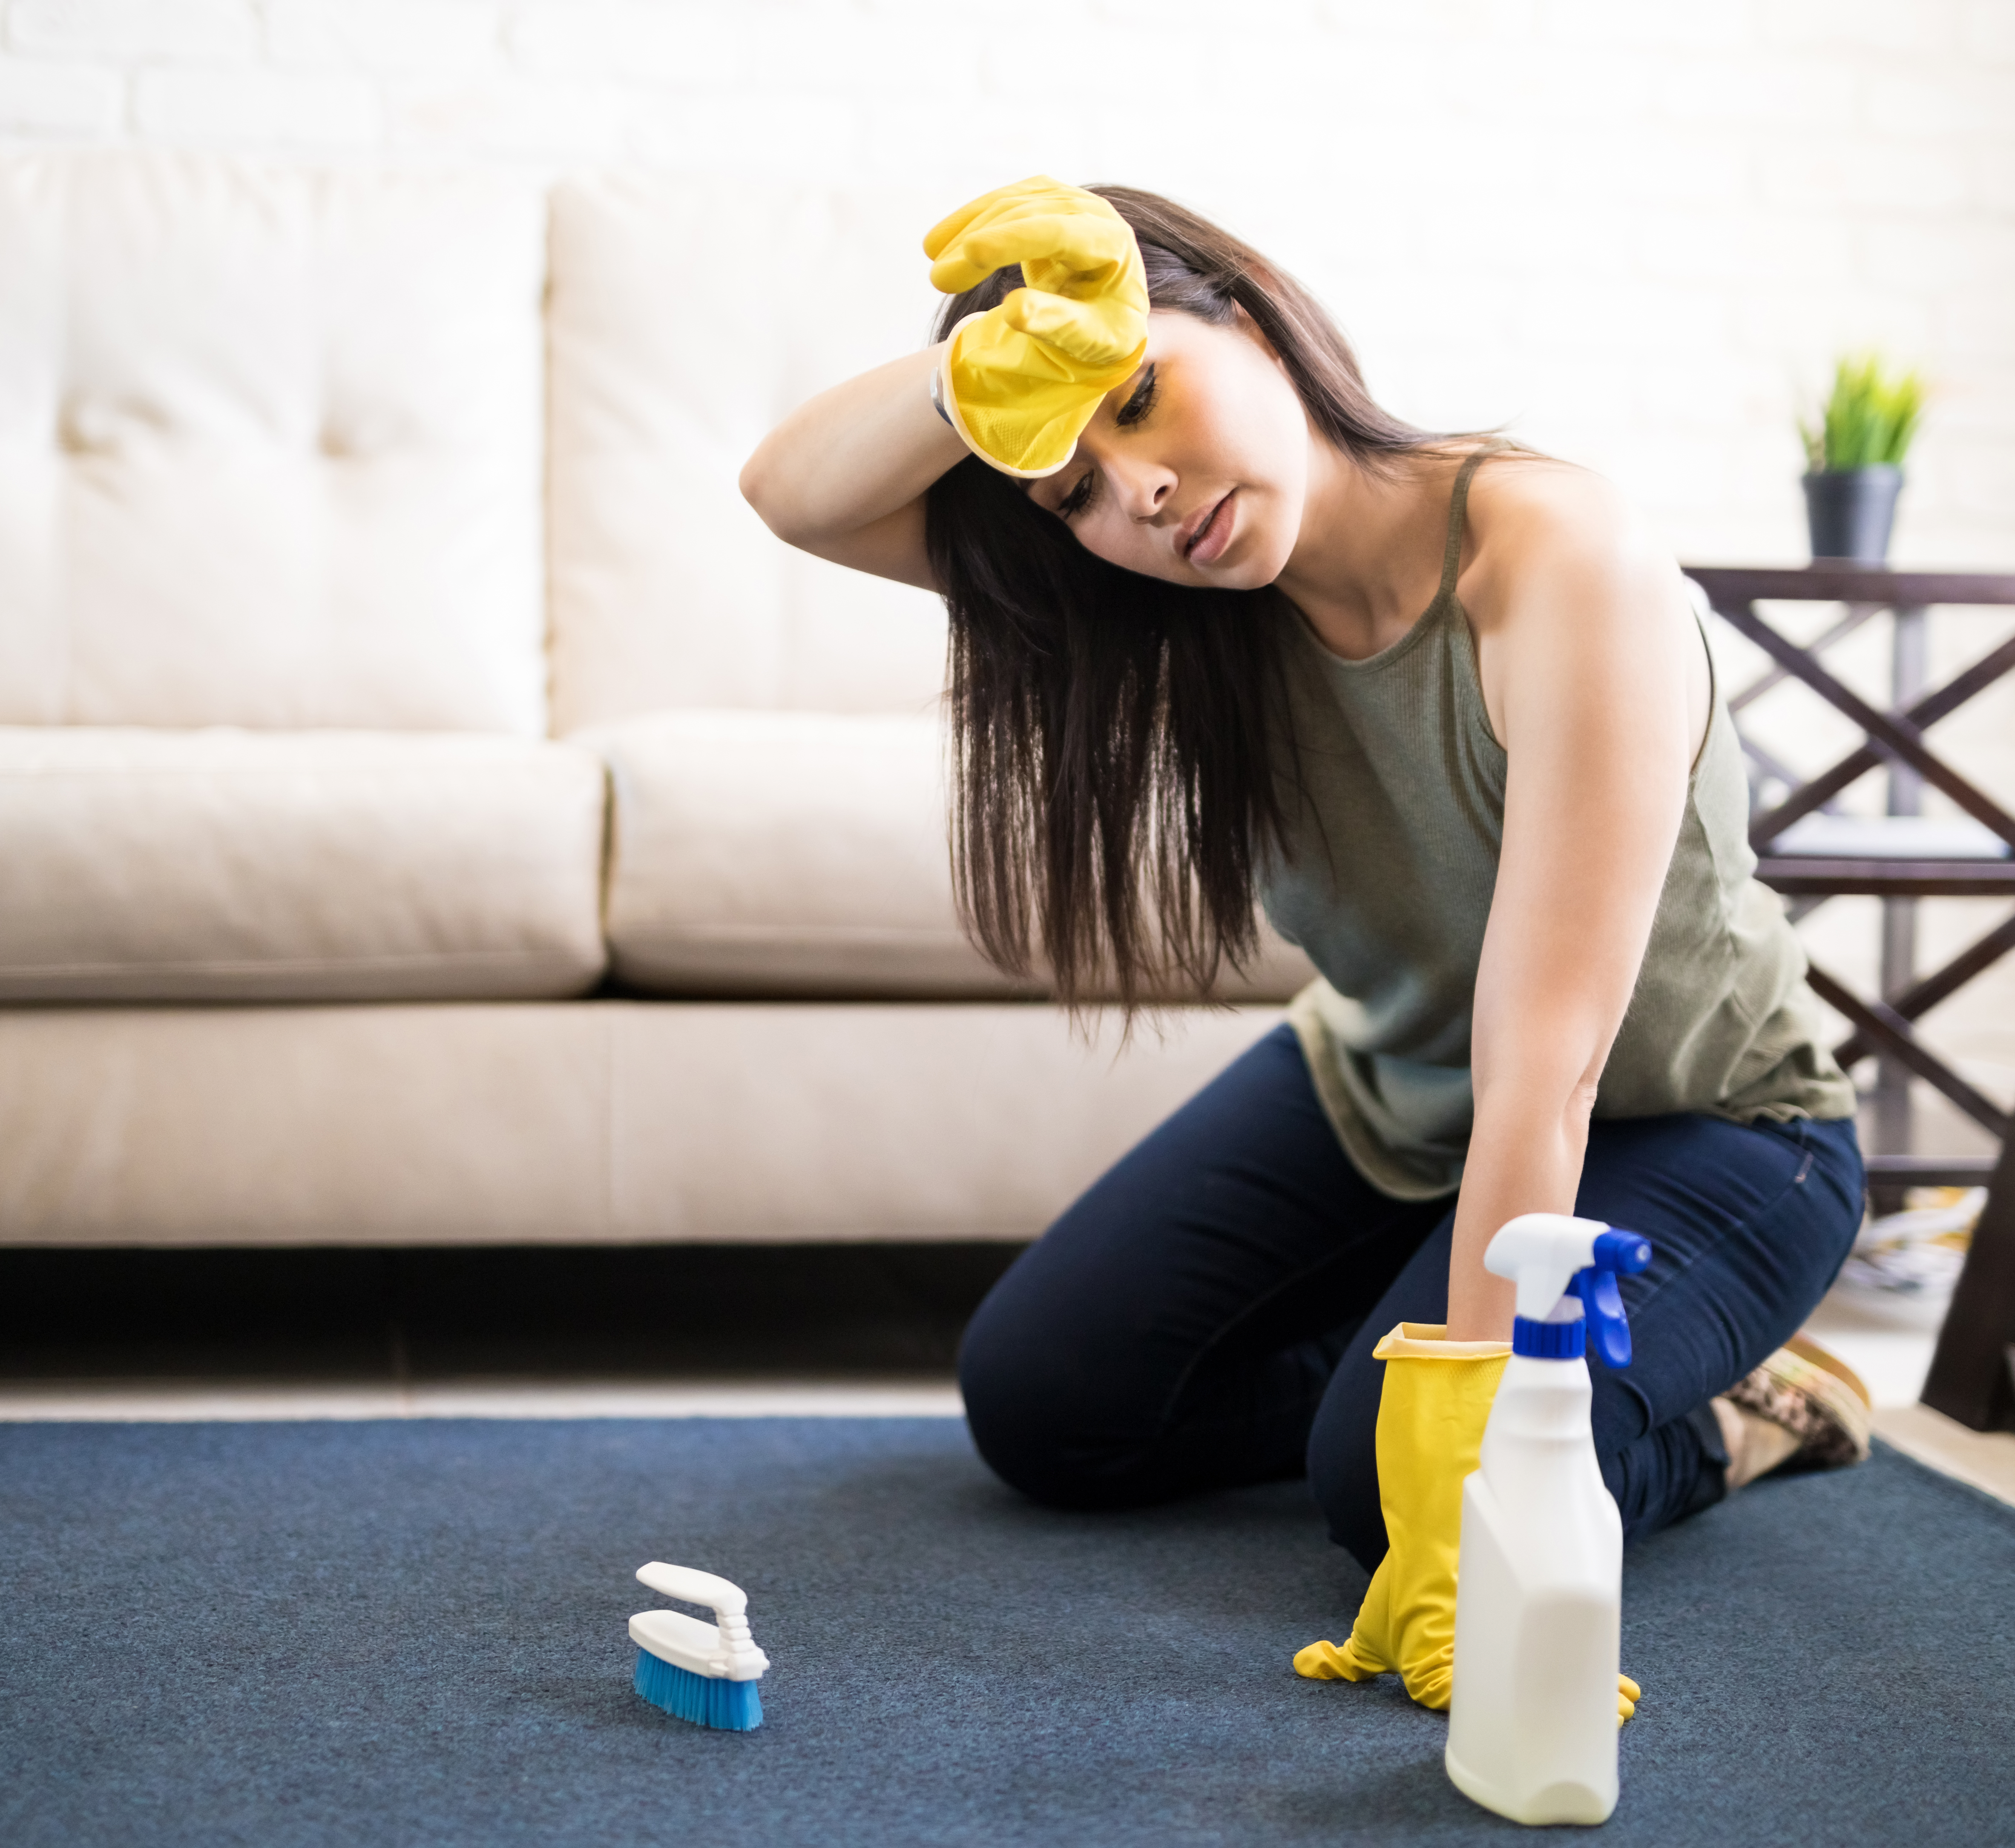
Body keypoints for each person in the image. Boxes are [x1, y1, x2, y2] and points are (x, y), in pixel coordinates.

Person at [740, 178, 1871, 1574]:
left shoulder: (1559, 560)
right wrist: (980, 368)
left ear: (1258, 323)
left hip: (1709, 1126)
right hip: (1399, 1094)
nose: (1138, 488)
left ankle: (1736, 1415)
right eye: (1077, 487)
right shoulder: (1174, 617)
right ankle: (1390, 1384)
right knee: (1046, 1402)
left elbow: (1549, 1071)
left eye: (1142, 392)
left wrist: (1459, 1436)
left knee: (1400, 1496)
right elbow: (790, 496)